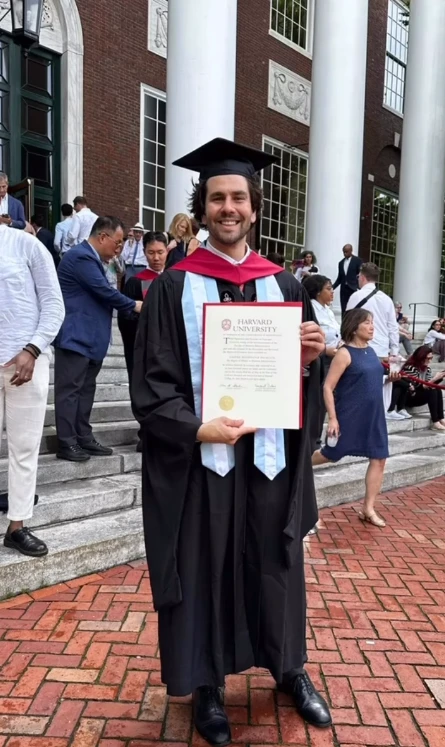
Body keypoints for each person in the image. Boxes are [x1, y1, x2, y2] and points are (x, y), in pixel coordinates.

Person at [132, 137, 331, 743]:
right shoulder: (173, 288)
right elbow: (153, 383)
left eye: (238, 197)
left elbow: (301, 381)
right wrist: (197, 428)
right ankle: (208, 684)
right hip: (206, 462)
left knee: (277, 561)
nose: (228, 208)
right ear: (203, 207)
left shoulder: (285, 287)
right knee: (207, 566)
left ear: (254, 207)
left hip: (268, 461)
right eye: (217, 197)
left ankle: (289, 668)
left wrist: (307, 364)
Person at [54, 216, 143, 462]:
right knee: (70, 391)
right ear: (103, 237)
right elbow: (103, 291)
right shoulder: (81, 257)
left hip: (91, 339)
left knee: (86, 390)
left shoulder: (93, 259)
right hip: (75, 336)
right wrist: (134, 305)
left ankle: (83, 437)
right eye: (118, 242)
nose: (119, 248)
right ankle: (67, 442)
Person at [0, 224, 65, 557]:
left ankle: (17, 527)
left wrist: (33, 349)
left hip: (27, 362)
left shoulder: (27, 245)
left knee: (24, 449)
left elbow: (54, 304)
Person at [312, 309, 389, 528]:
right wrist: (333, 418)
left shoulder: (371, 351)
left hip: (374, 416)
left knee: (379, 458)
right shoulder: (344, 354)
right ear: (354, 327)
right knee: (331, 454)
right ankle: (300, 465)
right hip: (350, 414)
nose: (372, 327)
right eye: (367, 323)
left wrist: (391, 377)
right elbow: (327, 387)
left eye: (372, 322)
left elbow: (371, 380)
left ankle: (368, 508)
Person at [347, 262, 399, 413]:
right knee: (378, 391)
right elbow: (393, 328)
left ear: (362, 277)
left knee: (360, 390)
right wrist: (394, 352)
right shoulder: (386, 299)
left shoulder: (356, 296)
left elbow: (347, 323)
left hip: (359, 349)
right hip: (381, 351)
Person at [118, 231, 167, 391]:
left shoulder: (175, 280)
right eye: (151, 252)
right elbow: (125, 318)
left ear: (167, 251)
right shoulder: (135, 283)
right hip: (143, 346)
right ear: (144, 252)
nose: (156, 258)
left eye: (160, 252)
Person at [303, 274, 341, 448]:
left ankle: (316, 439)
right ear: (318, 292)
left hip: (332, 359)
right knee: (317, 401)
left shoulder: (328, 311)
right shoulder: (311, 308)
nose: (332, 292)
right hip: (317, 360)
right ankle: (312, 442)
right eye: (328, 288)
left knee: (325, 402)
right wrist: (326, 349)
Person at [389, 345, 445, 431]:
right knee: (432, 391)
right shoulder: (410, 367)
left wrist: (439, 378)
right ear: (421, 357)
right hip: (409, 396)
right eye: (428, 358)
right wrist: (434, 379)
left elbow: (428, 385)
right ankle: (435, 421)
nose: (430, 360)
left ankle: (441, 418)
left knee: (437, 389)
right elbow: (416, 386)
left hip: (418, 394)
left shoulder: (427, 369)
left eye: (431, 358)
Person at [333, 244, 363, 314]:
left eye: (346, 252)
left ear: (351, 251)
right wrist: (332, 287)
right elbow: (339, 278)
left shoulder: (357, 261)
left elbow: (360, 275)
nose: (344, 254)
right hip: (343, 289)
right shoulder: (341, 263)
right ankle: (344, 321)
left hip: (353, 288)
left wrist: (359, 287)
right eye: (343, 252)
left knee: (353, 308)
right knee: (344, 309)